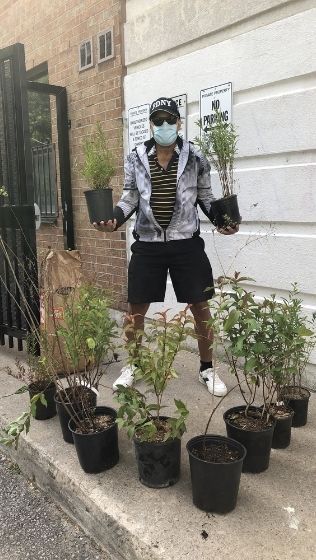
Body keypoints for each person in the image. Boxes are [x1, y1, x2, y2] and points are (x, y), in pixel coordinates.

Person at [93, 96, 239, 396]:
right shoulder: (136, 156)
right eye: (157, 120)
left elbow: (206, 197)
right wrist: (115, 219)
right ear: (150, 123)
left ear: (178, 122)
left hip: (186, 242)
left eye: (168, 119)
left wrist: (223, 221)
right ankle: (133, 365)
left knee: (200, 305)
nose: (163, 125)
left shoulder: (195, 157)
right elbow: (130, 196)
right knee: (135, 308)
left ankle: (207, 368)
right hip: (147, 243)